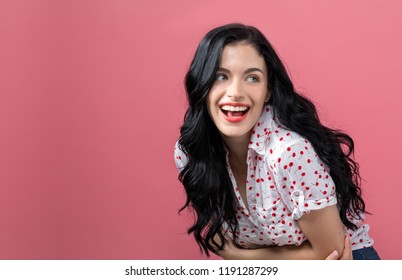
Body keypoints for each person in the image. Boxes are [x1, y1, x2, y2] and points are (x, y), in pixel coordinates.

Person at [174, 23, 380, 260]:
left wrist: (243, 259)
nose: (235, 92)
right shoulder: (190, 151)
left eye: (252, 78)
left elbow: (331, 255)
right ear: (201, 84)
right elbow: (218, 240)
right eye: (220, 76)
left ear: (268, 90)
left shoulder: (290, 152)